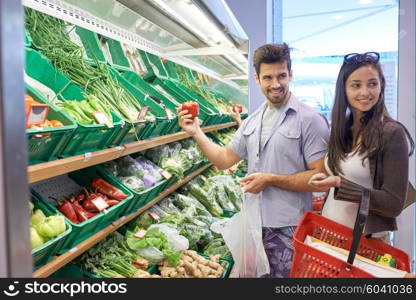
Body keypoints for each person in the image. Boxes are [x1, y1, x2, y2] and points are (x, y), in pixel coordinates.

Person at [178, 43, 330, 278]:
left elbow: (319, 177)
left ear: (291, 74)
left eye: (281, 76)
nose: (276, 84)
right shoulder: (252, 121)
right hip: (254, 226)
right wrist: (196, 132)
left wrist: (270, 179)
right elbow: (223, 160)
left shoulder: (309, 120)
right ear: (257, 79)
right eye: (268, 77)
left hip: (289, 229)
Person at [308, 52, 415, 243]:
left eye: (372, 83)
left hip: (364, 244)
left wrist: (340, 184)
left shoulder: (392, 133)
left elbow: (393, 204)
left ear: (381, 86)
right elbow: (348, 173)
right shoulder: (342, 129)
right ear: (344, 89)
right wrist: (327, 179)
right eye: (356, 85)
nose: (365, 92)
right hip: (329, 235)